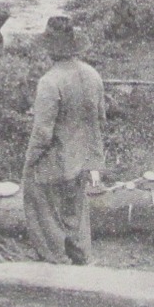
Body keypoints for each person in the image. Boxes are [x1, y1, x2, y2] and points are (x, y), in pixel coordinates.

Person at [22, 16, 107, 266]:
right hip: (85, 158)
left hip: (57, 159)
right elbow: (101, 118)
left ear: (50, 48)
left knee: (38, 199)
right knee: (76, 208)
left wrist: (31, 160)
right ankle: (81, 256)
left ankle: (55, 258)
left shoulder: (50, 81)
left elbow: (42, 133)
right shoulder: (93, 74)